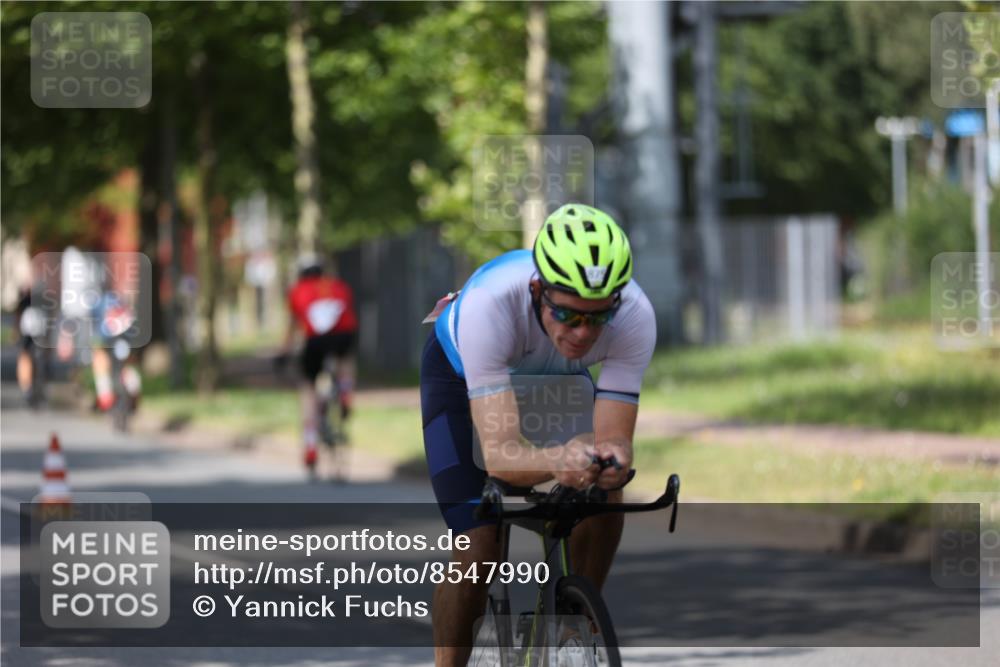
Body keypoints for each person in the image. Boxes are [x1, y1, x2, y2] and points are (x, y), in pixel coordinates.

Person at [420, 203, 656, 666]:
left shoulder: (635, 316)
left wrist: (609, 462)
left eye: (598, 318)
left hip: (557, 380)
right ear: (537, 290)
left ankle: (575, 625)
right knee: (478, 547)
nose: (584, 334)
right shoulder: (491, 305)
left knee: (605, 493)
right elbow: (502, 459)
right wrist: (556, 461)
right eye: (569, 316)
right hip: (460, 373)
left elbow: (615, 444)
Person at [278, 255, 359, 473]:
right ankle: (345, 391)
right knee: (345, 360)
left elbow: (292, 327)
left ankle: (311, 445)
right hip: (343, 336)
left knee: (308, 388)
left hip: (315, 341)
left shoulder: (297, 290)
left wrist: (283, 353)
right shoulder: (339, 286)